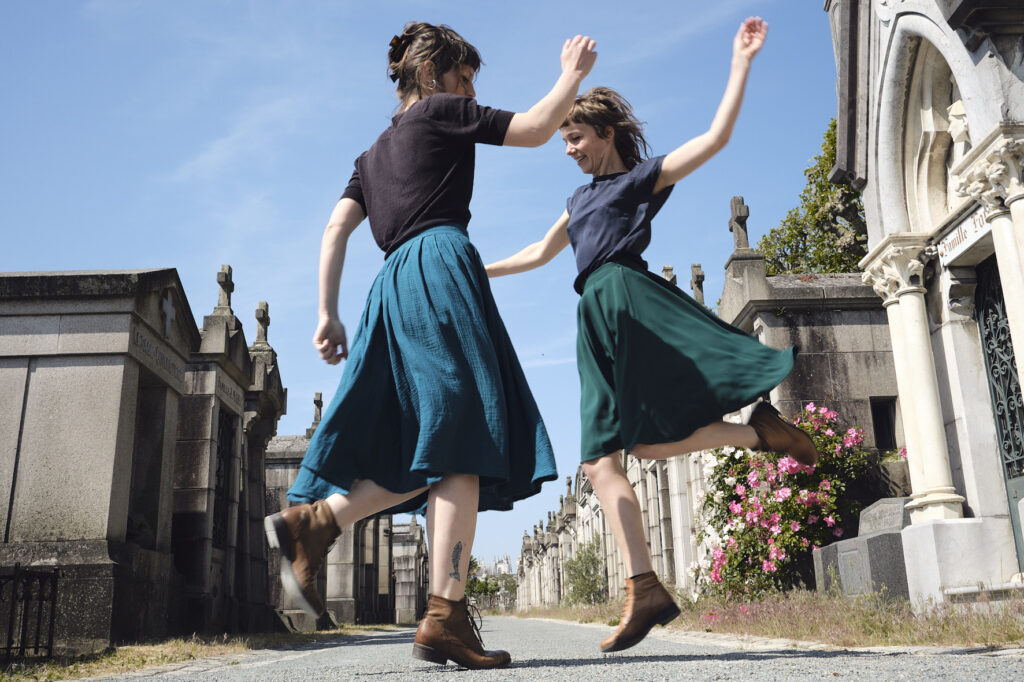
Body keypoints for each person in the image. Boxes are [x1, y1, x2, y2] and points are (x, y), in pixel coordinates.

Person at [264, 22, 597, 670]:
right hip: (441, 264)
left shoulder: (370, 155)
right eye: (464, 77)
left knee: (423, 445)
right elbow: (531, 128)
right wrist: (572, 77)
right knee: (462, 432)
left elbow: (335, 227)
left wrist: (328, 311)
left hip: (389, 285)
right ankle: (445, 615)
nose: (471, 90)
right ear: (429, 76)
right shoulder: (442, 114)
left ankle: (320, 522)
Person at [486, 17, 817, 653]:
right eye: (563, 140)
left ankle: (647, 584)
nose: (569, 149)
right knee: (617, 457)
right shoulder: (577, 199)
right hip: (593, 314)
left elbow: (715, 139)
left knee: (627, 449)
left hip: (627, 301)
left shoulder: (639, 181)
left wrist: (741, 62)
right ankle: (655, 577)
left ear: (606, 134)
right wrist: (479, 266)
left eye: (576, 136)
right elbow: (537, 252)